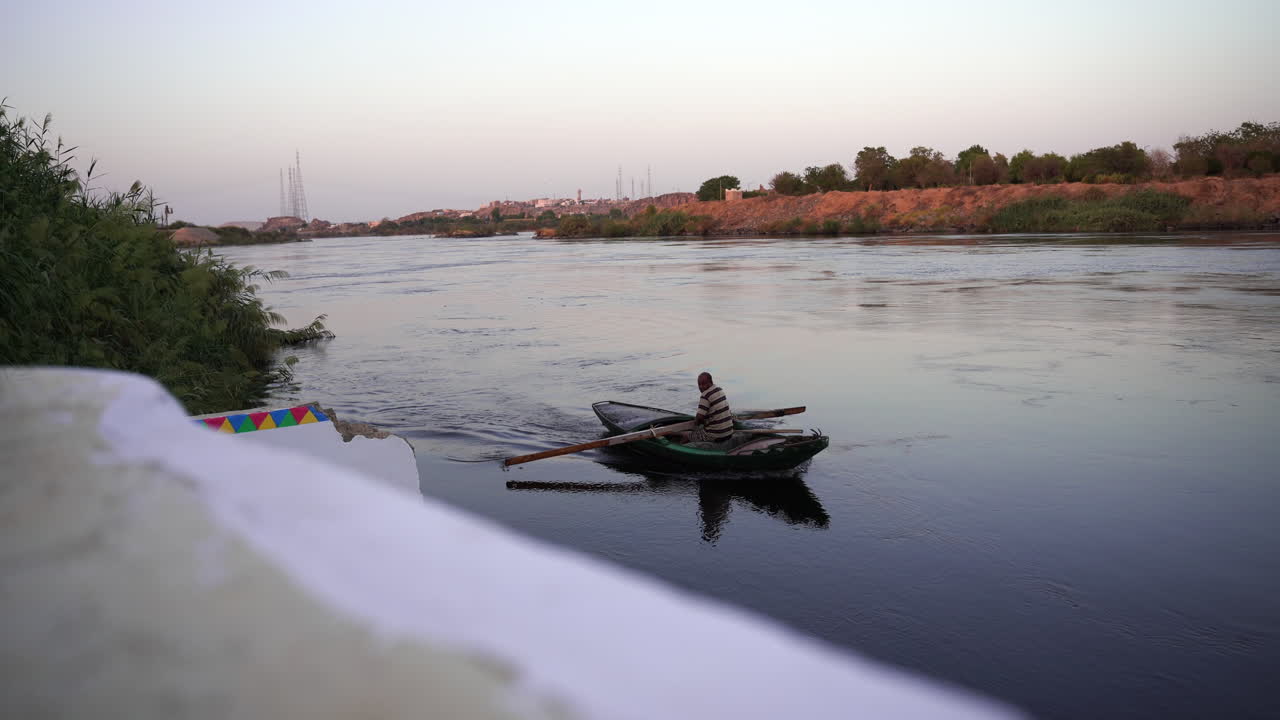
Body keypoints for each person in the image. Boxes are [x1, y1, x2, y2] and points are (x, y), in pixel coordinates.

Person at [687, 371, 734, 445]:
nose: (701, 387)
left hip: (716, 435)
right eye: (699, 384)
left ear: (710, 382)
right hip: (729, 432)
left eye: (704, 384)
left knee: (687, 435)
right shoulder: (720, 390)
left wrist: (695, 426)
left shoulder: (705, 395)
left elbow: (699, 417)